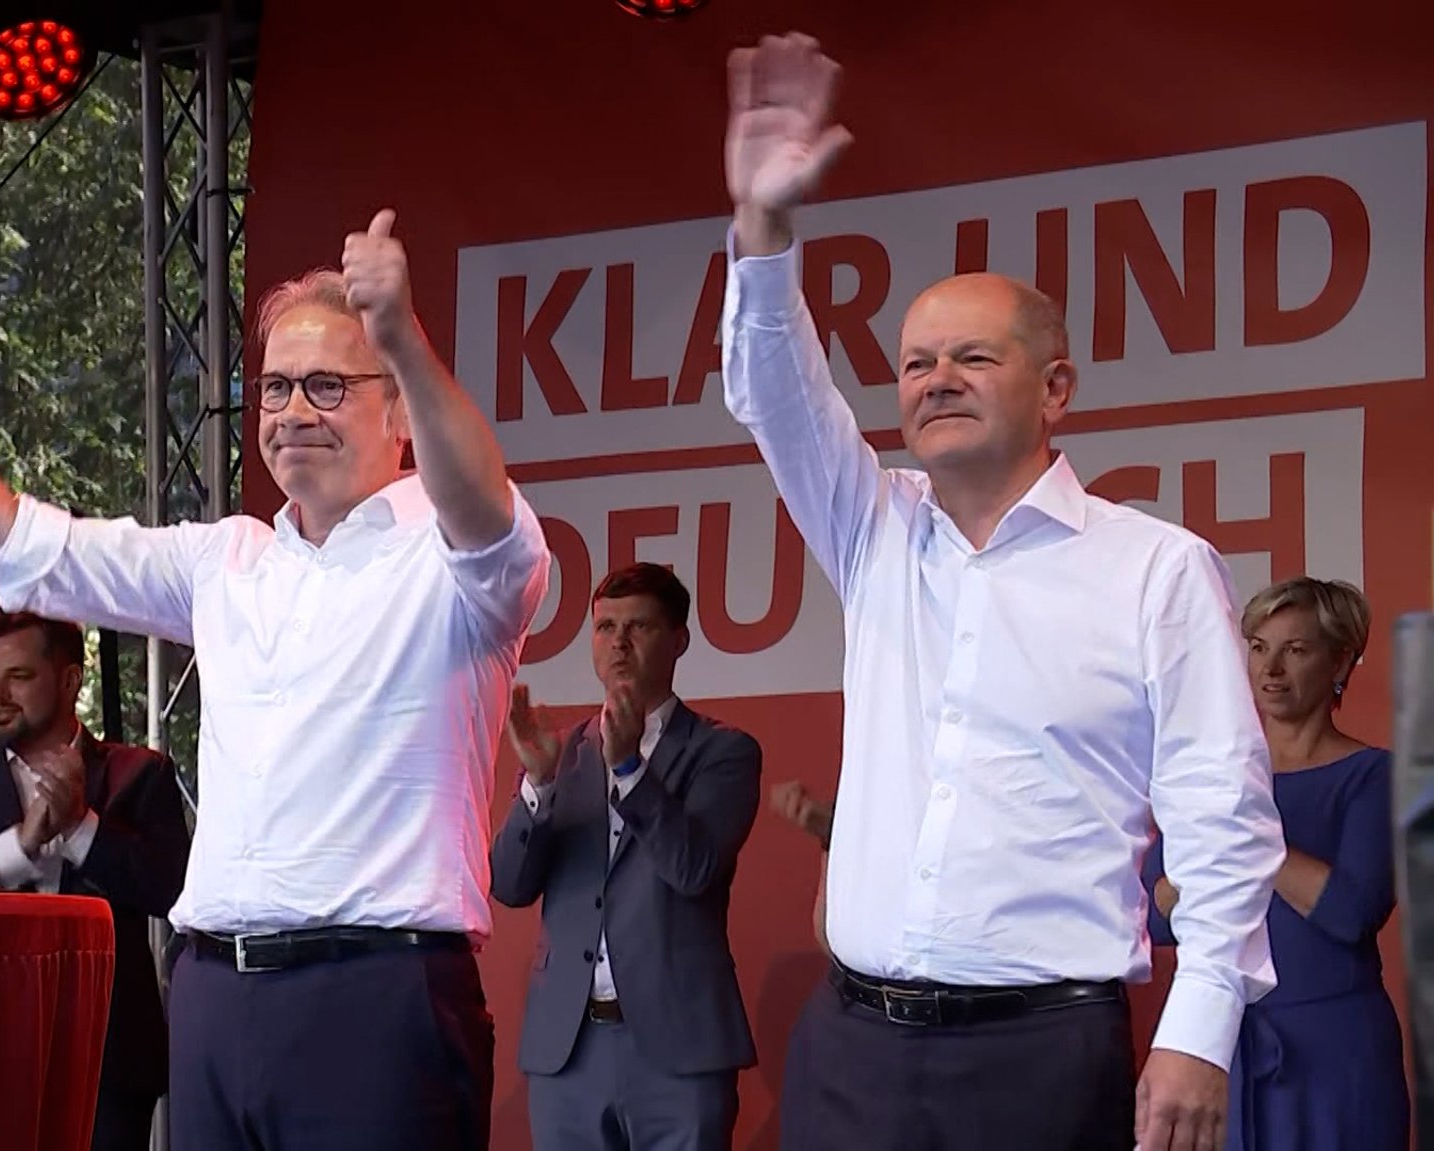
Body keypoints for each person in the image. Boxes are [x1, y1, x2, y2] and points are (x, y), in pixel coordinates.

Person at [0, 209, 549, 1151]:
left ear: (396, 407)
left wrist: (404, 337)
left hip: (375, 998)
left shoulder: (451, 555)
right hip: (216, 1000)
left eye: (326, 384)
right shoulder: (227, 558)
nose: (292, 411)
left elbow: (483, 502)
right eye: (272, 388)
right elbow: (19, 542)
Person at [718, 33, 1284, 1151]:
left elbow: (1221, 816)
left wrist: (1197, 1026)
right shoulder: (869, 523)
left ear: (1054, 387)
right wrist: (761, 229)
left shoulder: (1152, 567)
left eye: (970, 358)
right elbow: (775, 391)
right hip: (849, 1043)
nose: (934, 380)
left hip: (1038, 1052)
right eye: (916, 362)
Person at [0, 610, 190, 1151]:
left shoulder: (139, 774)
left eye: (18, 677)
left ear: (71, 679)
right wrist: (18, 848)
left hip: (109, 1056)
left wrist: (80, 829)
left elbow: (170, 889)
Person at [491, 562, 762, 1151]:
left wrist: (630, 769)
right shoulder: (561, 753)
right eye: (605, 627)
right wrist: (537, 784)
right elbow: (509, 886)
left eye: (637, 627)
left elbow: (693, 868)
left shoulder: (724, 751)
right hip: (568, 1049)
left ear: (678, 640)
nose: (618, 642)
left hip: (677, 1049)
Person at [1144, 577, 1408, 1150]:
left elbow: (1350, 911)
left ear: (1341, 660)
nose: (1271, 669)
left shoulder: (1375, 777)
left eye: (1296, 650)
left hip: (1336, 1051)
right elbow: (1158, 916)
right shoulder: (1214, 776)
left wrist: (1244, 843)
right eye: (1259, 647)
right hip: (1224, 1041)